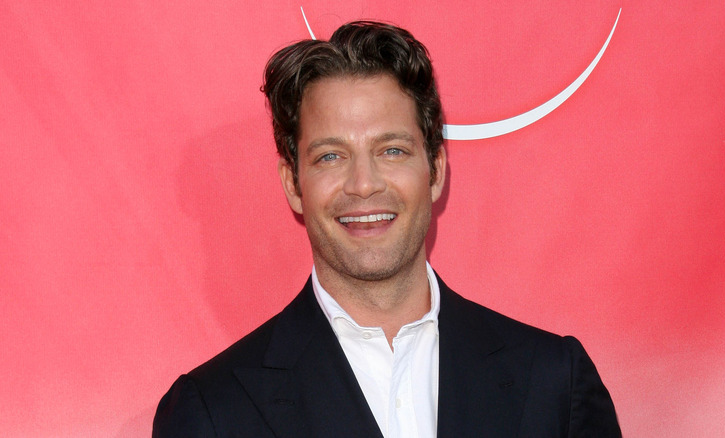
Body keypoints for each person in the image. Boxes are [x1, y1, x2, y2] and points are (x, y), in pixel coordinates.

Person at [153, 21, 621, 437]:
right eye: (330, 156)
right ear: (294, 185)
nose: (363, 185)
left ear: (436, 169)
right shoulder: (212, 413)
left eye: (392, 150)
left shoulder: (555, 383)